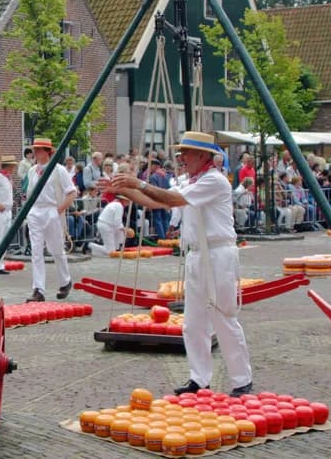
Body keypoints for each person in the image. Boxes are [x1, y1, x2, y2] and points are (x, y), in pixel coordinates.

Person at [105, 131, 252, 397]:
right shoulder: (190, 181)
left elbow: (173, 199)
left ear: (202, 155)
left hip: (218, 255)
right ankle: (199, 378)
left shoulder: (214, 181)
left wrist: (137, 183)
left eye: (186, 152)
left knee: (223, 316)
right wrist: (124, 189)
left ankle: (241, 379)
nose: (181, 157)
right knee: (193, 321)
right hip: (197, 255)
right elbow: (158, 201)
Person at [24, 138, 77, 302]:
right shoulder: (32, 171)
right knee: (36, 251)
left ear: (48, 152)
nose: (37, 153)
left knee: (56, 249)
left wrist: (58, 210)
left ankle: (65, 281)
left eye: (40, 150)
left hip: (51, 209)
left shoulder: (59, 170)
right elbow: (29, 193)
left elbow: (71, 192)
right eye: (35, 150)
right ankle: (38, 289)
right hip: (35, 211)